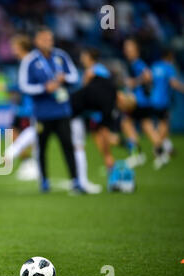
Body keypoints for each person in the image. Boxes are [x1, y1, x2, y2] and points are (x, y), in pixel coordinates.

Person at [18, 26, 83, 194]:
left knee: (68, 146)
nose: (49, 42)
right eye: (45, 39)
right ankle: (44, 181)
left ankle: (75, 180)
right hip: (42, 114)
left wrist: (65, 78)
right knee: (41, 148)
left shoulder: (61, 56)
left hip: (62, 111)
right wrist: (44, 88)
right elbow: (24, 86)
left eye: (50, 39)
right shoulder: (30, 60)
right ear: (36, 41)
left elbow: (75, 76)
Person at [71, 47, 118, 189]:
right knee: (103, 147)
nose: (82, 58)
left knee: (104, 144)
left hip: (98, 114)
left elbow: (87, 91)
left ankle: (126, 146)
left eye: (84, 56)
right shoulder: (101, 70)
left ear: (89, 57)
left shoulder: (92, 71)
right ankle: (112, 175)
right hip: (98, 113)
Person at [121, 38, 164, 168]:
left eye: (130, 48)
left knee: (126, 124)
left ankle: (136, 155)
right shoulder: (135, 63)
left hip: (137, 101)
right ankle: (161, 154)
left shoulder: (137, 63)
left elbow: (148, 76)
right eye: (126, 48)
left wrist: (134, 82)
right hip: (144, 101)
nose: (127, 51)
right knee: (147, 127)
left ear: (136, 50)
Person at [4, 34, 38, 181]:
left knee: (29, 133)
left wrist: (11, 87)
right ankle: (27, 162)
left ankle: (30, 163)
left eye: (15, 47)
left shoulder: (29, 62)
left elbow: (25, 86)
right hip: (21, 106)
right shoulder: (24, 62)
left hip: (29, 107)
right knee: (15, 132)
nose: (13, 50)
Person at [149, 48, 184, 169]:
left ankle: (166, 147)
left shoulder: (155, 66)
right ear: (169, 56)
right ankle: (158, 148)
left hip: (153, 99)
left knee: (163, 124)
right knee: (163, 125)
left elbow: (149, 80)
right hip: (163, 100)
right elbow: (173, 83)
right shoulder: (169, 67)